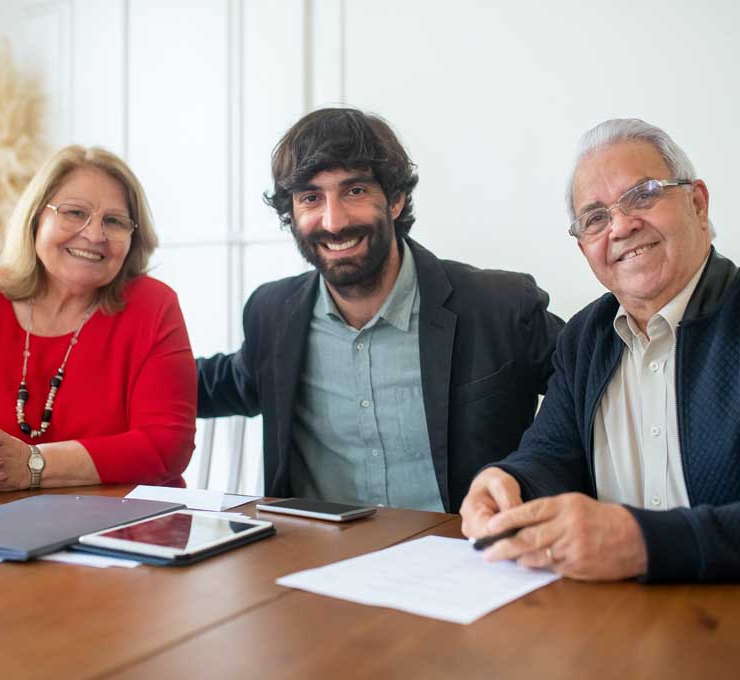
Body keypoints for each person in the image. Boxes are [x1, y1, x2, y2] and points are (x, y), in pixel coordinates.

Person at [197, 107, 563, 512]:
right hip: (313, 561)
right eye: (311, 198)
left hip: (468, 556)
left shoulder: (499, 306)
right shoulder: (272, 314)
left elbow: (590, 382)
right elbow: (213, 384)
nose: (333, 222)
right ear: (293, 213)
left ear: (395, 199)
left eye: (354, 191)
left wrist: (532, 469)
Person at [461, 118, 740, 582]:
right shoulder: (584, 337)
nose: (621, 227)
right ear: (585, 248)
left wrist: (645, 542)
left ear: (697, 203)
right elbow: (550, 454)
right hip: (611, 620)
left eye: (644, 194)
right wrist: (508, 484)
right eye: (595, 218)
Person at [0, 146, 196, 494]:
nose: (94, 235)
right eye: (75, 213)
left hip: (125, 529)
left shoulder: (153, 306)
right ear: (35, 219)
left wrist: (31, 463)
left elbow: (166, 446)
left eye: (114, 221)